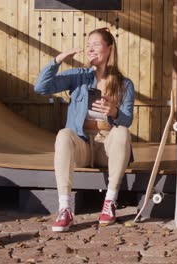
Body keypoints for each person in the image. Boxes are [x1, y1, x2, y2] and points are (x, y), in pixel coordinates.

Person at [34, 27, 134, 232]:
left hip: (107, 146)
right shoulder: (78, 76)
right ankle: (65, 209)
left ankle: (110, 202)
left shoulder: (124, 84)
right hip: (82, 144)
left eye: (96, 44)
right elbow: (41, 87)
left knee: (123, 132)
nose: (90, 49)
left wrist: (114, 112)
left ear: (109, 48)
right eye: (88, 45)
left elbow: (127, 120)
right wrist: (57, 60)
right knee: (63, 134)